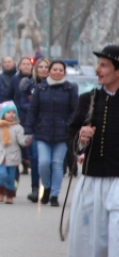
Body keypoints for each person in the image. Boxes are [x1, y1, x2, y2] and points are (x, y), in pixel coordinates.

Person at [66, 45, 119, 257]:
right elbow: (72, 134)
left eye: (104, 65)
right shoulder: (88, 99)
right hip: (93, 180)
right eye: (98, 64)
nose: (98, 70)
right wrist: (81, 137)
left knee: (117, 239)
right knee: (98, 242)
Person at [24, 60, 78, 207]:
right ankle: (46, 186)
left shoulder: (70, 88)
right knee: (44, 163)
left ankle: (54, 194)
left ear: (64, 72)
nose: (57, 72)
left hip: (63, 133)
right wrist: (28, 129)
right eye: (54, 69)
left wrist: (68, 125)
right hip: (43, 132)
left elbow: (75, 110)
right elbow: (32, 110)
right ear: (49, 71)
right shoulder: (41, 89)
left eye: (60, 70)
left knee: (57, 163)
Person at [0, 102, 29, 204]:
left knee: (11, 176)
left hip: (13, 155)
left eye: (13, 112)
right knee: (2, 174)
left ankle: (10, 195)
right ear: (3, 114)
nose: (11, 114)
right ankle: (1, 192)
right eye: (8, 112)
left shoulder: (18, 128)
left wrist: (26, 140)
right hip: (1, 155)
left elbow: (21, 141)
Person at [22, 57, 50, 201]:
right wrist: (36, 106)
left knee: (48, 161)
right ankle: (35, 188)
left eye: (46, 67)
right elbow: (22, 103)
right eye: (41, 67)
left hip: (50, 126)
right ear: (36, 69)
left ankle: (48, 188)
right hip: (33, 125)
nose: (43, 70)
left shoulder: (55, 85)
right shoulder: (28, 85)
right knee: (35, 157)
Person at [5, 57, 34, 174]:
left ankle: (29, 160)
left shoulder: (34, 79)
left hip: (32, 113)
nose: (26, 66)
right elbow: (8, 95)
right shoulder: (15, 79)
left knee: (29, 138)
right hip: (18, 113)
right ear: (20, 66)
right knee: (19, 138)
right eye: (24, 64)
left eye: (28, 64)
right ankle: (23, 162)